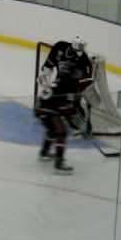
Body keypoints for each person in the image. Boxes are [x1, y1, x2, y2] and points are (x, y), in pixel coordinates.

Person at [35, 37, 94, 174]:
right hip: (49, 105)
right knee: (61, 131)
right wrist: (73, 117)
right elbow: (65, 108)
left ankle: (44, 153)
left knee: (52, 129)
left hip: (41, 106)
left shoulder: (62, 82)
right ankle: (59, 164)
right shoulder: (67, 89)